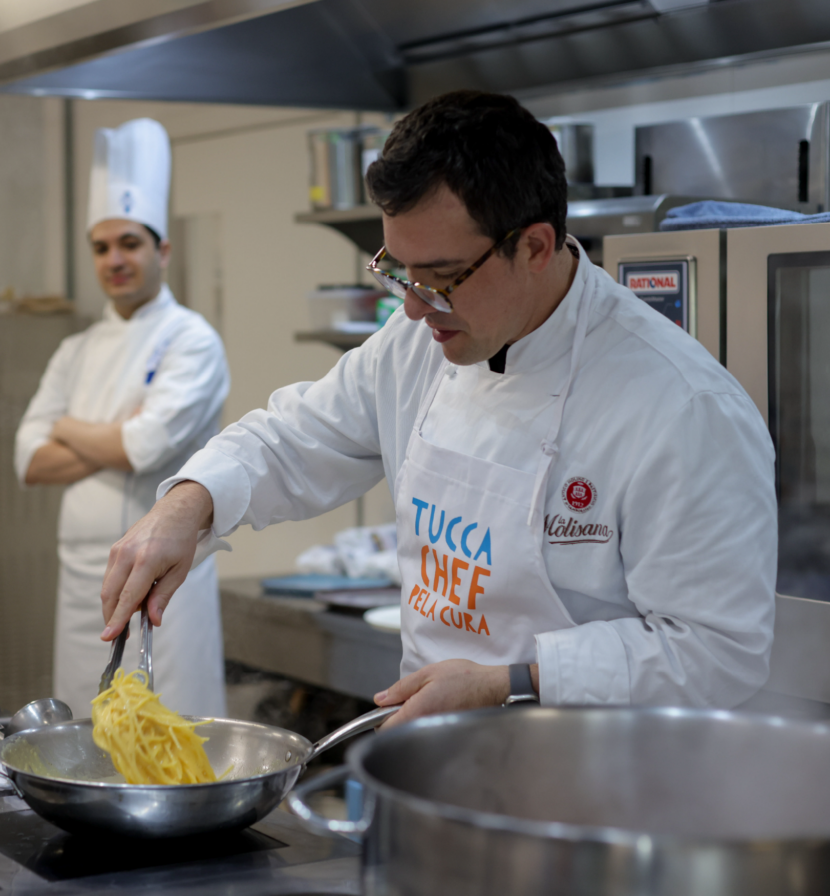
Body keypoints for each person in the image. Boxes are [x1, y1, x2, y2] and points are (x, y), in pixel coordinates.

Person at [98, 90, 774, 725]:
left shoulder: (683, 407)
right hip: (431, 760)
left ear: (535, 247)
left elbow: (718, 653)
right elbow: (296, 438)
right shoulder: (415, 342)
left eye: (443, 278)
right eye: (399, 270)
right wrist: (188, 503)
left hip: (589, 782)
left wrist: (509, 681)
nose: (416, 308)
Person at [14, 118, 231, 717]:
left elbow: (143, 446)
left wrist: (66, 426)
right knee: (84, 736)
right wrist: (111, 436)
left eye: (130, 244)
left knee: (171, 738)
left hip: (168, 584)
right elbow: (28, 460)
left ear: (163, 250)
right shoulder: (76, 349)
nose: (115, 259)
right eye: (102, 247)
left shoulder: (192, 340)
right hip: (81, 581)